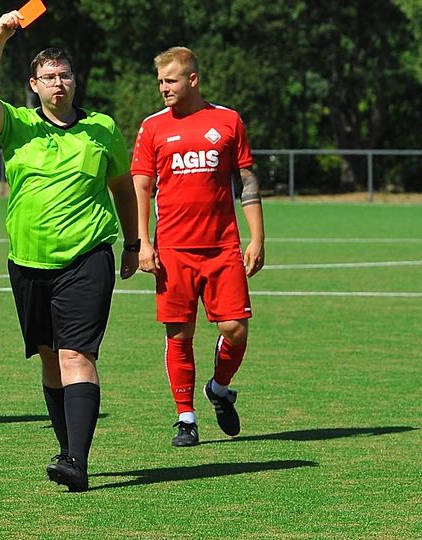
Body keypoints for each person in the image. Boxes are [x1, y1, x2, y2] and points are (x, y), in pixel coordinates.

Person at [0, 11, 138, 492]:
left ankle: (77, 463)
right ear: (34, 85)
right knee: (48, 357)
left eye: (64, 75)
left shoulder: (102, 129)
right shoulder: (17, 126)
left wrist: (132, 242)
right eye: (48, 77)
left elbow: (122, 187)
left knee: (76, 356)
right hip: (27, 262)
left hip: (87, 257)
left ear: (74, 80)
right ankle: (66, 451)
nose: (57, 83)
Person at [130, 47, 265, 447]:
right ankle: (185, 418)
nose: (163, 89)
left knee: (235, 329)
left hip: (223, 246)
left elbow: (247, 181)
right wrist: (143, 241)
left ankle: (220, 388)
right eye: (159, 82)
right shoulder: (152, 127)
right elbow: (142, 186)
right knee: (179, 335)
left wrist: (257, 237)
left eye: (170, 81)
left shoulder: (227, 121)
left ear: (192, 80)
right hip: (173, 250)